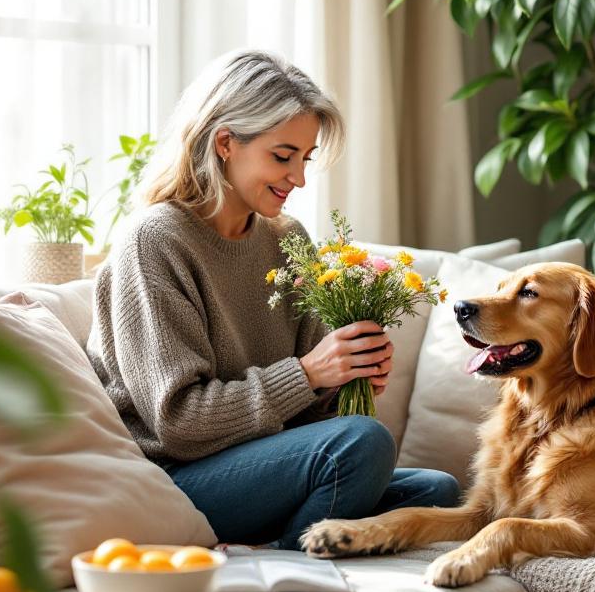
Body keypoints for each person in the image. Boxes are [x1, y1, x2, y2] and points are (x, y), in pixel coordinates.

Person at [87, 50, 460, 550]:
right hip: (176, 479)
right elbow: (179, 423)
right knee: (362, 444)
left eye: (304, 159)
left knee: (438, 493)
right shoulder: (154, 240)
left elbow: (310, 422)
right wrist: (309, 374)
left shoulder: (287, 240)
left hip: (260, 466)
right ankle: (286, 561)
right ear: (225, 143)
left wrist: (347, 380)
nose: (299, 178)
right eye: (283, 156)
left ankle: (283, 541)